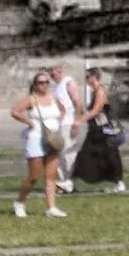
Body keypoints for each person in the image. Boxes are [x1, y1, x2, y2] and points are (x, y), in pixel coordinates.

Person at [11, 70, 68, 218]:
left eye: (46, 82)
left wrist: (58, 123)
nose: (44, 85)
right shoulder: (32, 99)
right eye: (40, 82)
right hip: (36, 138)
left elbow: (63, 110)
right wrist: (29, 122)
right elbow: (15, 111)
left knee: (51, 176)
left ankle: (51, 207)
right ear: (35, 85)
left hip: (53, 139)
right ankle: (20, 202)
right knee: (34, 176)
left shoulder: (54, 98)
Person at [71, 65, 126, 192]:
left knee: (110, 156)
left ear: (94, 77)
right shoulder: (93, 91)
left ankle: (119, 183)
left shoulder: (100, 91)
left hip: (104, 131)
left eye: (87, 77)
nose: (86, 79)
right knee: (86, 155)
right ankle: (72, 182)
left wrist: (80, 121)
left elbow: (96, 111)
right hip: (96, 130)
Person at [48, 63, 84, 193]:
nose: (52, 77)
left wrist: (77, 122)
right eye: (50, 74)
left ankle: (70, 182)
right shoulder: (57, 86)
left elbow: (77, 103)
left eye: (53, 74)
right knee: (58, 154)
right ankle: (64, 182)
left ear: (60, 71)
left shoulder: (68, 82)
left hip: (69, 123)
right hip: (60, 124)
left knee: (68, 154)